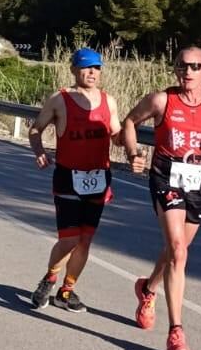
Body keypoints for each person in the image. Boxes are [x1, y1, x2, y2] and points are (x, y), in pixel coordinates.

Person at [122, 47, 201, 350]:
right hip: (166, 178)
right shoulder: (162, 100)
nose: (188, 72)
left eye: (195, 66)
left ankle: (147, 289)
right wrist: (133, 154)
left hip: (198, 181)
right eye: (183, 66)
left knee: (176, 252)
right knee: (178, 249)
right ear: (175, 69)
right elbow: (129, 122)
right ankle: (176, 333)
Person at [26, 48, 142, 312]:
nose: (92, 73)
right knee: (69, 238)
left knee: (85, 240)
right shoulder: (60, 99)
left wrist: (127, 137)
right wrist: (40, 152)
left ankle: (67, 291)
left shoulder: (108, 101)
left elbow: (115, 135)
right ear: (74, 70)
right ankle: (50, 278)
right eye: (86, 67)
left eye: (97, 68)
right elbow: (36, 129)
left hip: (99, 177)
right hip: (68, 176)